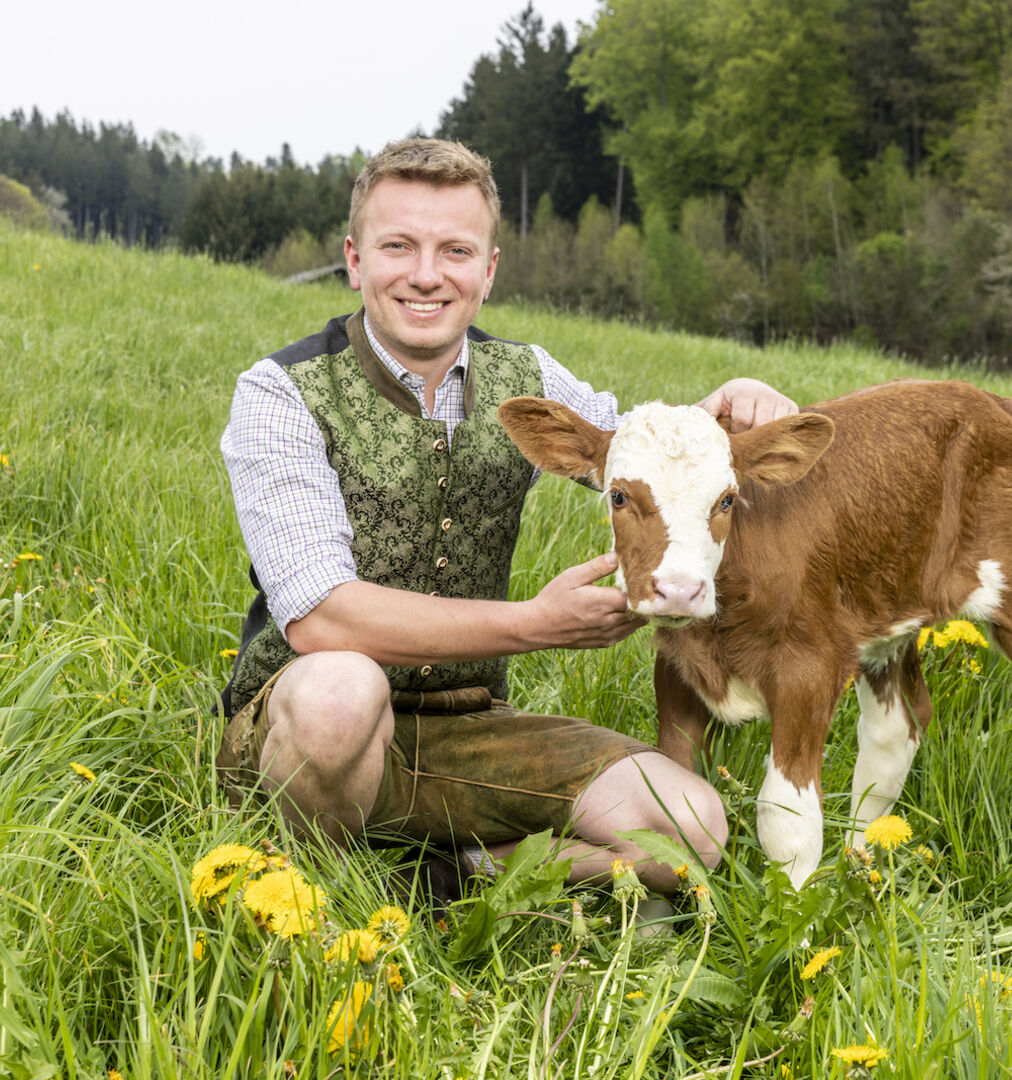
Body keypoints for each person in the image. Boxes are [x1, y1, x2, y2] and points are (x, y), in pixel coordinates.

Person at [214, 138, 796, 905]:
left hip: (465, 728)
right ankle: (311, 879)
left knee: (691, 826)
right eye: (399, 246)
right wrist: (534, 624)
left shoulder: (526, 377)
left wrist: (727, 402)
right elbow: (323, 618)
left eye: (455, 250)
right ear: (355, 261)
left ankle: (456, 874)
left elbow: (638, 453)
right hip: (303, 724)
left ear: (487, 271)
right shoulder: (282, 392)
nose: (427, 274)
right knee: (339, 692)